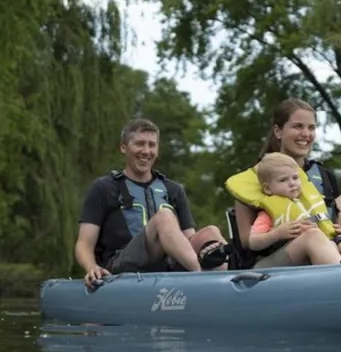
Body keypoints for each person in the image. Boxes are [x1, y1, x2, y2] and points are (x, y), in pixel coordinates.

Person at [227, 98, 341, 269]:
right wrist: (279, 233)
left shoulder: (326, 177)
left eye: (311, 127)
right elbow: (246, 241)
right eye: (297, 126)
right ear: (278, 131)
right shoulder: (256, 178)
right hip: (271, 263)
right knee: (313, 237)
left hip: (331, 246)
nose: (306, 134)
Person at [75, 118, 229, 287]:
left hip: (168, 264)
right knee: (164, 217)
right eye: (139, 144)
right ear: (124, 148)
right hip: (122, 266)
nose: (146, 151)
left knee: (211, 233)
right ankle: (201, 280)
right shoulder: (104, 187)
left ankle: (224, 286)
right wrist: (91, 267)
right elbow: (84, 243)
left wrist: (210, 249)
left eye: (151, 145)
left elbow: (189, 240)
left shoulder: (174, 190)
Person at [246, 152, 341, 265]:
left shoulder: (308, 205)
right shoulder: (267, 214)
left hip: (319, 245)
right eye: (283, 180)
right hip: (281, 257)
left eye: (295, 178)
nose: (292, 183)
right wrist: (277, 234)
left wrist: (334, 230)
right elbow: (253, 242)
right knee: (323, 241)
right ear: (267, 189)